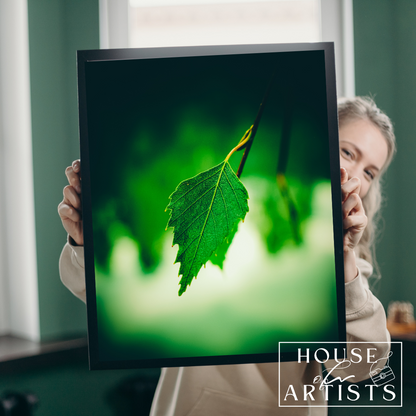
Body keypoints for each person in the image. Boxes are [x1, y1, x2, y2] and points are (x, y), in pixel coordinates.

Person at [58, 96, 396, 415]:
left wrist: (345, 258)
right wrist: (86, 248)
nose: (355, 175)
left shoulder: (350, 272)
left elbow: (361, 365)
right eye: (347, 152)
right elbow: (104, 296)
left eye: (370, 172)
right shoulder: (223, 224)